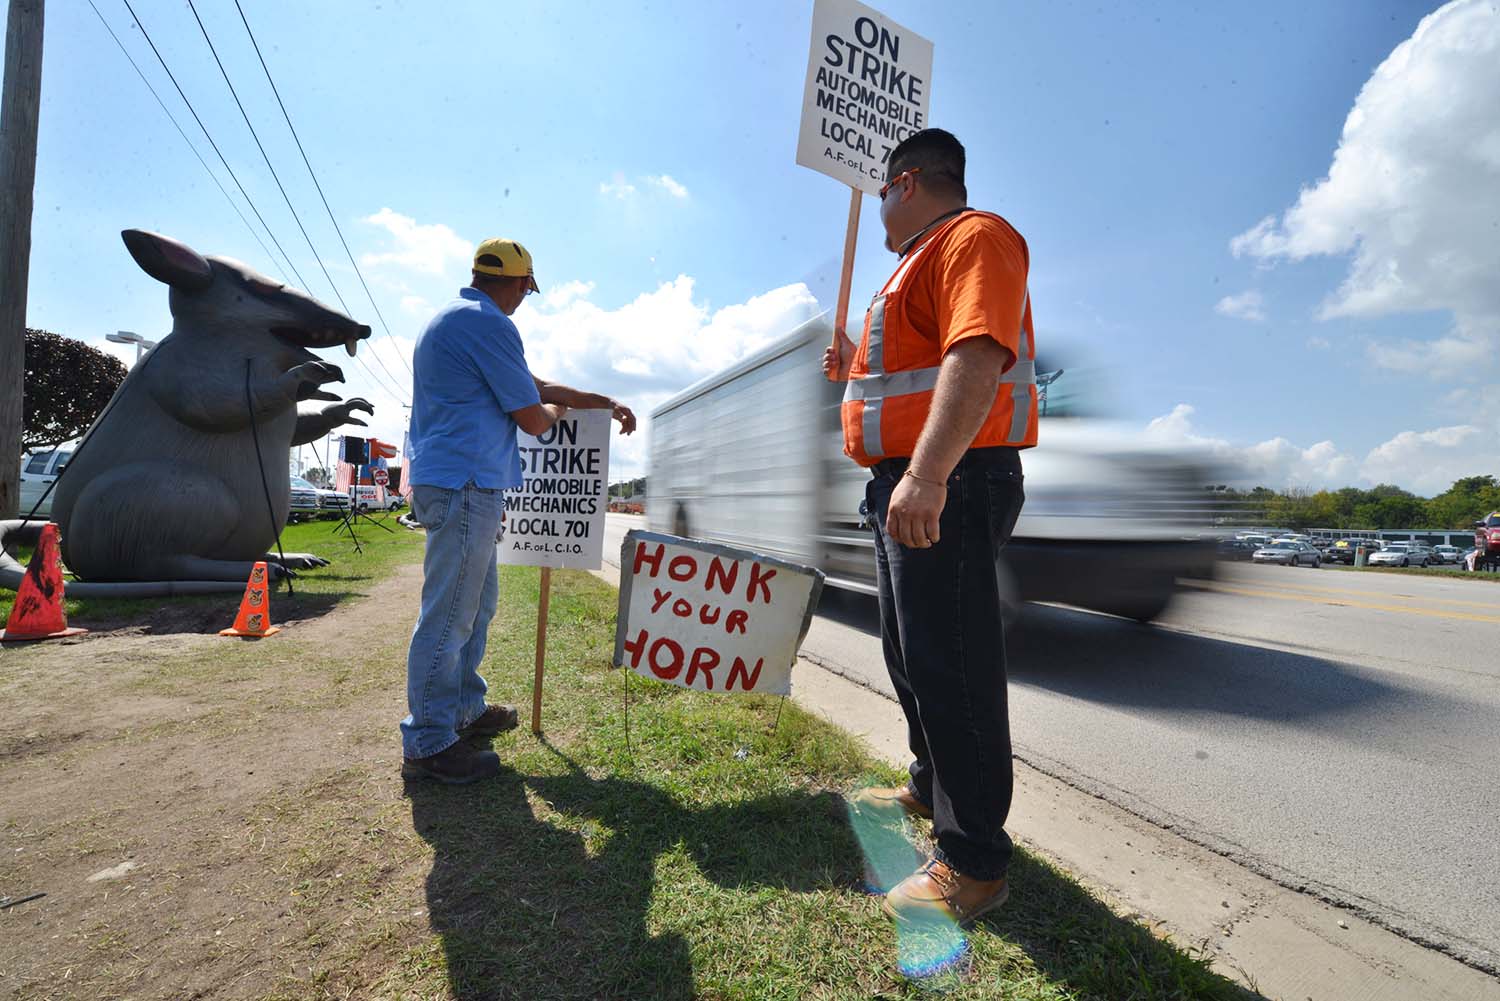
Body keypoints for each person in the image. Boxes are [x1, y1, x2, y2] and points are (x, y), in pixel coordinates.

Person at [824, 129, 1038, 925]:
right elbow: (906, 372)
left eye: (882, 191)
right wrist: (851, 357)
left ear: (905, 182)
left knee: (953, 667)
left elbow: (976, 354)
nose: (879, 205)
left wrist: (926, 474)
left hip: (949, 480)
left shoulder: (974, 237)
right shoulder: (912, 263)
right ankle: (928, 781)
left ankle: (974, 861)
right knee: (910, 655)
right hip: (906, 485)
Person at [401, 238, 636, 784]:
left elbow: (536, 384)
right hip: (466, 482)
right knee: (450, 614)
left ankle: (462, 708)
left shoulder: (456, 319)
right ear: (518, 283)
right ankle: (429, 741)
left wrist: (600, 401)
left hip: (458, 479)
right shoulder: (490, 325)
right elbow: (535, 413)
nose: (524, 300)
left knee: (476, 605)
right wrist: (555, 411)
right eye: (527, 289)